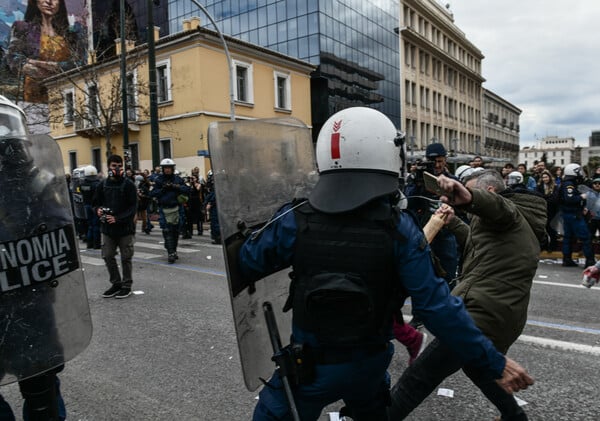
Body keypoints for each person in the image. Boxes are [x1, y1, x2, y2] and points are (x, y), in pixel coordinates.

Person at [237, 107, 533, 421]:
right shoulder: (400, 229)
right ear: (388, 154)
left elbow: (249, 260)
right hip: (367, 368)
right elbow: (439, 309)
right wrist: (494, 362)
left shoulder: (295, 219)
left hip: (309, 367)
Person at [388, 169, 547, 421]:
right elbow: (478, 244)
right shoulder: (511, 223)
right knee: (480, 368)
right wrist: (453, 222)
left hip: (482, 313)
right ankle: (514, 416)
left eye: (470, 189)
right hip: (499, 313)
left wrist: (470, 196)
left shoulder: (508, 213)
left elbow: (497, 207)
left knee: (418, 378)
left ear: (490, 191)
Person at [6, 0, 86, 103]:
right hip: (32, 97)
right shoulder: (23, 28)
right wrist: (52, 72)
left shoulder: (71, 35)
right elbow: (14, 59)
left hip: (65, 95)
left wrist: (47, 65)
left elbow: (79, 63)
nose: (49, 2)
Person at [404, 143, 459, 289]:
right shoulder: (417, 179)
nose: (437, 165)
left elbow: (461, 208)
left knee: (448, 276)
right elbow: (408, 203)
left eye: (440, 161)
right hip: (423, 233)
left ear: (445, 160)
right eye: (433, 161)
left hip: (445, 234)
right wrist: (416, 181)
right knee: (422, 277)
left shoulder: (452, 180)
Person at [92, 154, 137, 298]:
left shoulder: (128, 184)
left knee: (126, 257)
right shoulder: (102, 184)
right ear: (108, 167)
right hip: (107, 229)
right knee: (107, 255)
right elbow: (95, 203)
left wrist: (117, 218)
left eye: (119, 166)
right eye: (114, 166)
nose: (117, 169)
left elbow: (133, 207)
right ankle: (116, 283)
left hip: (125, 228)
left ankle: (126, 285)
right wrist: (97, 210)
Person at [149, 158, 190, 263]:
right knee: (167, 231)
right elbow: (152, 193)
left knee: (175, 230)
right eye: (165, 168)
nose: (167, 170)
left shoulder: (178, 179)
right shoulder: (159, 180)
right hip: (164, 208)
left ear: (172, 168)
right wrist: (162, 189)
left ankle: (174, 250)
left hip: (176, 208)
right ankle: (170, 252)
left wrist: (175, 187)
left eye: (169, 168)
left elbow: (187, 190)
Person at [557, 163, 595, 268]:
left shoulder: (569, 183)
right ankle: (590, 261)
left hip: (568, 214)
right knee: (585, 237)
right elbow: (570, 199)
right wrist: (581, 197)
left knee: (568, 237)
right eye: (578, 171)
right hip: (573, 214)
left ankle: (567, 259)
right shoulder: (569, 184)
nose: (580, 173)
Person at [537, 169, 559, 251]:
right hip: (542, 211)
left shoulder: (555, 186)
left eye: (546, 177)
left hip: (552, 211)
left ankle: (552, 246)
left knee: (552, 230)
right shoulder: (539, 186)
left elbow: (554, 199)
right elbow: (538, 197)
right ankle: (544, 246)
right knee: (543, 230)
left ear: (549, 177)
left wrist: (545, 198)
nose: (545, 179)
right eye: (543, 177)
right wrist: (547, 197)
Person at [80, 164, 101, 249]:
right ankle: (96, 244)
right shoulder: (97, 184)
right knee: (96, 225)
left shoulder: (82, 184)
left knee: (90, 225)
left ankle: (89, 244)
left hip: (86, 205)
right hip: (94, 206)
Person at [204, 170, 221, 244]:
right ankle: (216, 237)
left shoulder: (217, 185)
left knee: (216, 223)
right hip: (214, 206)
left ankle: (218, 237)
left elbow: (215, 195)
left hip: (215, 207)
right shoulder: (212, 185)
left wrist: (210, 203)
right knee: (214, 222)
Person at [585, 176, 600, 240]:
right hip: (591, 218)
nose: (597, 185)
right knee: (589, 237)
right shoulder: (588, 193)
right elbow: (585, 206)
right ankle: (588, 250)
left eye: (599, 183)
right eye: (595, 183)